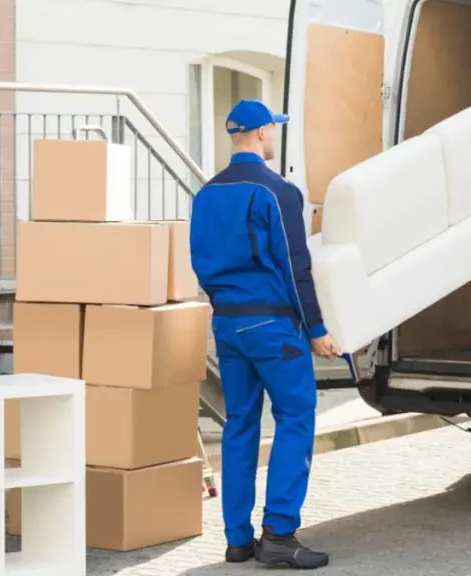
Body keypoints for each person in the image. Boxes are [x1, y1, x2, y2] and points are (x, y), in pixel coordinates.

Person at [189, 98, 341, 569]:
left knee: (240, 425)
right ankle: (279, 532)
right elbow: (297, 268)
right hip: (271, 324)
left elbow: (200, 263)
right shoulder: (277, 191)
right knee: (297, 414)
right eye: (272, 129)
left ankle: (238, 540)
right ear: (259, 134)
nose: (274, 135)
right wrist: (316, 329)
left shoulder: (206, 194)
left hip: (227, 325)